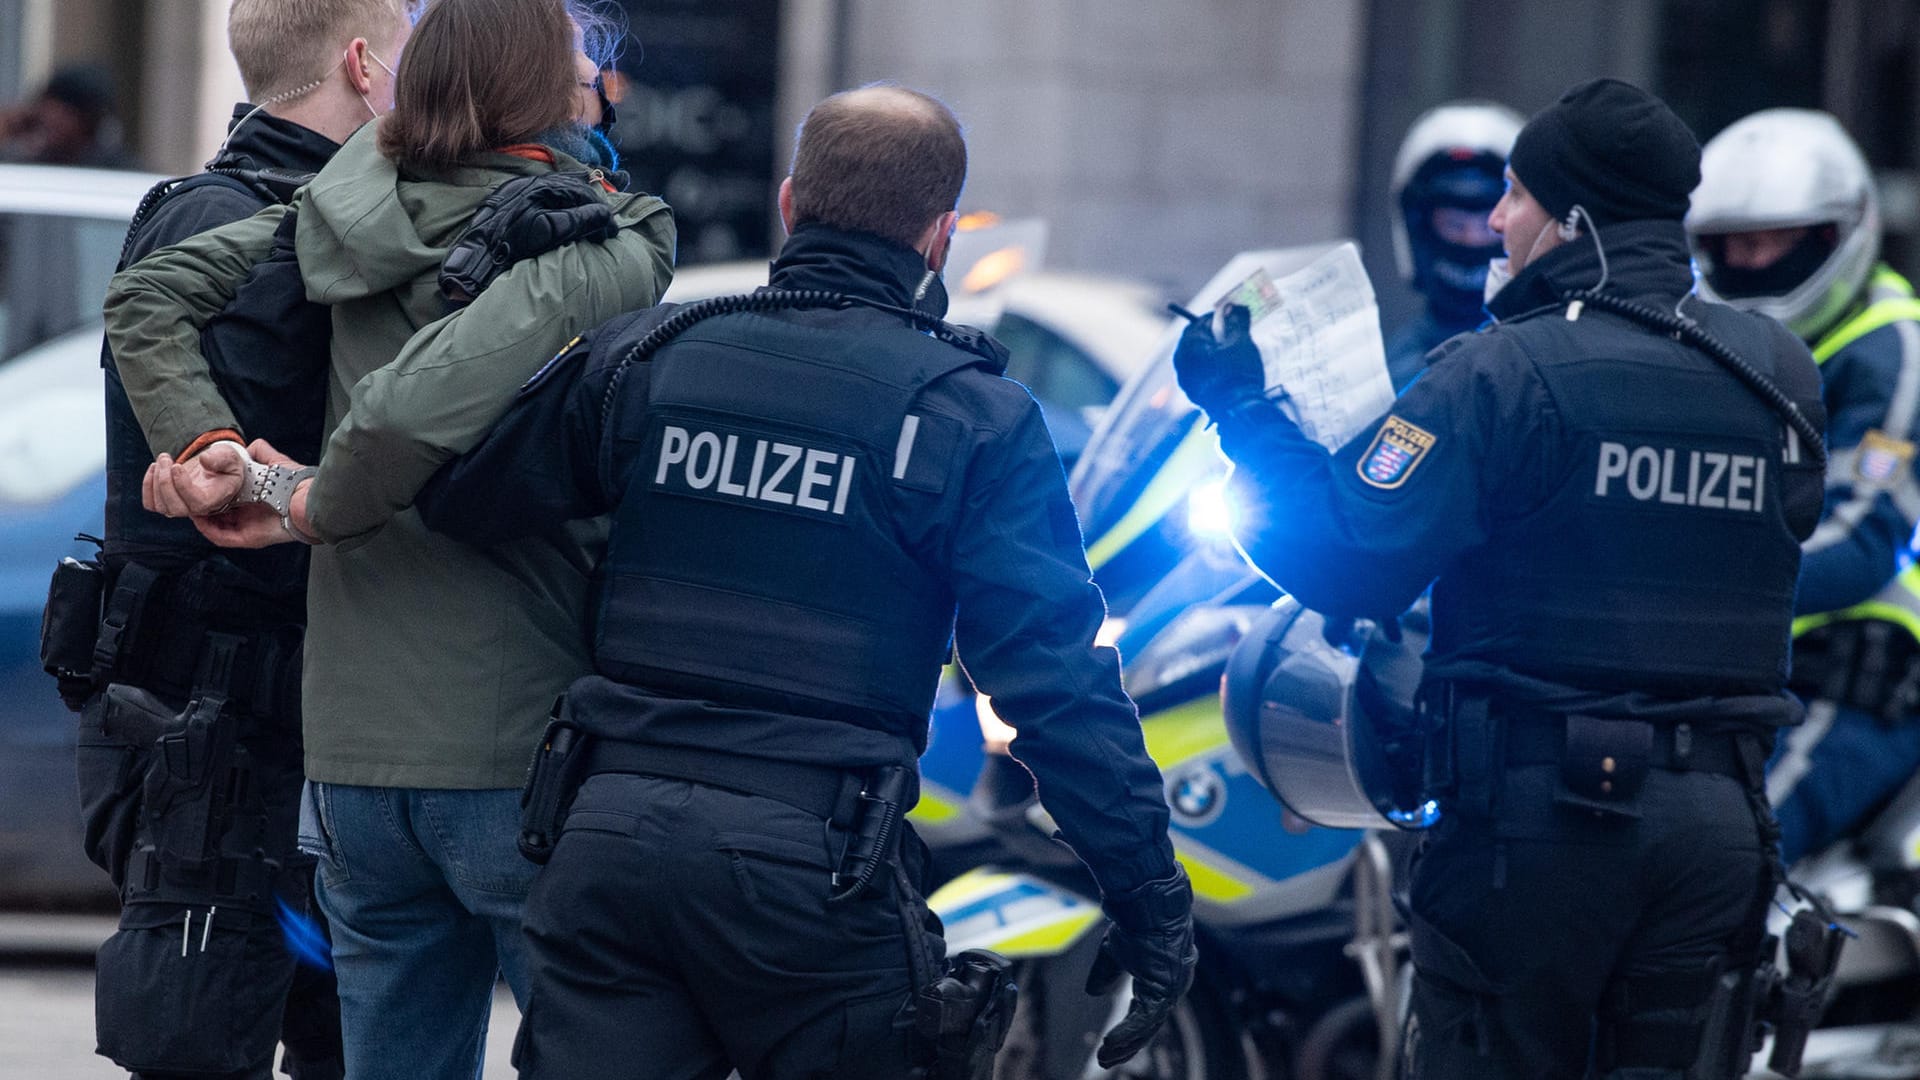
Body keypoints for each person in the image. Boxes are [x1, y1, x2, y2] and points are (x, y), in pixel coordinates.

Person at [410, 84, 1195, 1079]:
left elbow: (458, 496)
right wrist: (1150, 900)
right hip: (810, 873)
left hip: (606, 839)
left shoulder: (653, 356)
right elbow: (1052, 682)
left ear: (789, 204)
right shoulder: (970, 418)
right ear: (941, 237)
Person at [1172, 78, 1826, 1079]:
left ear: (1572, 220)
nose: (1495, 220)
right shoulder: (1775, 368)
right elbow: (1784, 528)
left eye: (1516, 196)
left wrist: (1242, 414)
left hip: (1545, 832)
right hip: (1722, 829)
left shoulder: (1504, 372)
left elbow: (1345, 557)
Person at [100, 1, 676, 1077]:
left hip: (354, 769)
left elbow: (147, 297)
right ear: (553, 93)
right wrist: (305, 499)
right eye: (589, 70)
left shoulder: (347, 208)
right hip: (516, 760)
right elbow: (406, 417)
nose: (603, 87)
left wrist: (210, 446)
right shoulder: (611, 237)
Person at [57, 5, 417, 1078]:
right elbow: (261, 504)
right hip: (228, 734)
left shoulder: (213, 208)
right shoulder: (258, 233)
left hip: (229, 728)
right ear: (363, 66)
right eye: (409, 61)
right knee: (209, 1038)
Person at [1688, 108, 1920, 867]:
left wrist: (1688, 582)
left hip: (1855, 685)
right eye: (1732, 246)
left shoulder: (1890, 350)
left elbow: (1860, 536)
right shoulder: (1707, 339)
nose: (1750, 263)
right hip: (1724, 670)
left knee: (1725, 860)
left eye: (1770, 243)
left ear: (1834, 235)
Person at [1384, 101, 1524, 391]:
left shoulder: (1545, 362)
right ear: (1418, 228)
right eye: (1454, 224)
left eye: (1487, 225)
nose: (1471, 240)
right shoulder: (1387, 372)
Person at [0, 63, 135, 167]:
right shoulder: (33, 163)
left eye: (55, 110)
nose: (43, 117)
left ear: (83, 118)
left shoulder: (113, 173)